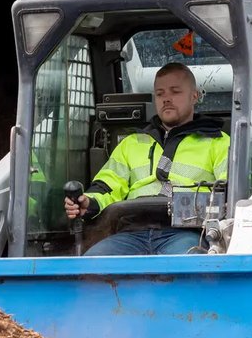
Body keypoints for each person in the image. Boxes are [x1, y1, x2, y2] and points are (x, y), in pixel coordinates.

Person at [64, 62, 229, 255]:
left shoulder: (217, 142)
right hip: (131, 232)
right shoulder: (132, 143)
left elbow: (228, 190)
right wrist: (88, 202)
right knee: (91, 265)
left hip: (186, 233)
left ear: (195, 96)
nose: (166, 99)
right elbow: (107, 186)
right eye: (160, 94)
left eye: (175, 91)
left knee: (189, 263)